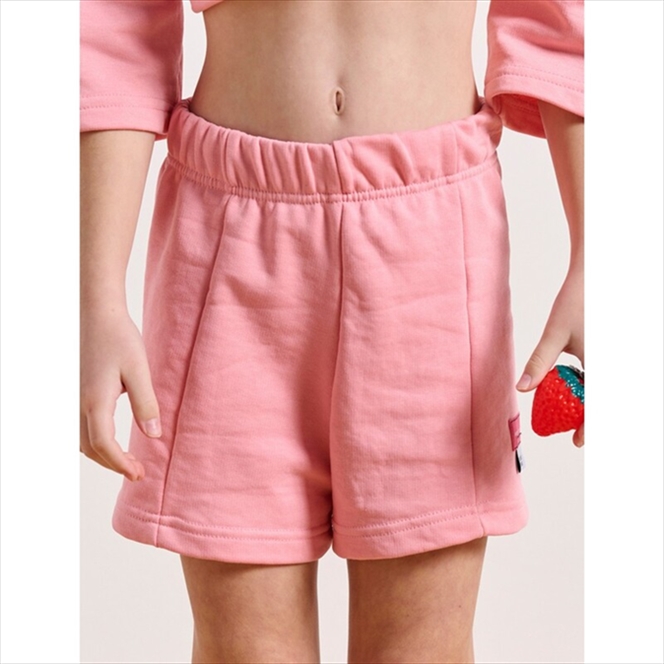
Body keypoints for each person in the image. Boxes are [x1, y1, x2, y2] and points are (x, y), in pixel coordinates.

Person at [80, 1, 584, 661]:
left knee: (422, 650)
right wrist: (97, 298)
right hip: (228, 247)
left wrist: (593, 254)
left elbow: (562, 25)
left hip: (431, 251)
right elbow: (116, 28)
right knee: (245, 652)